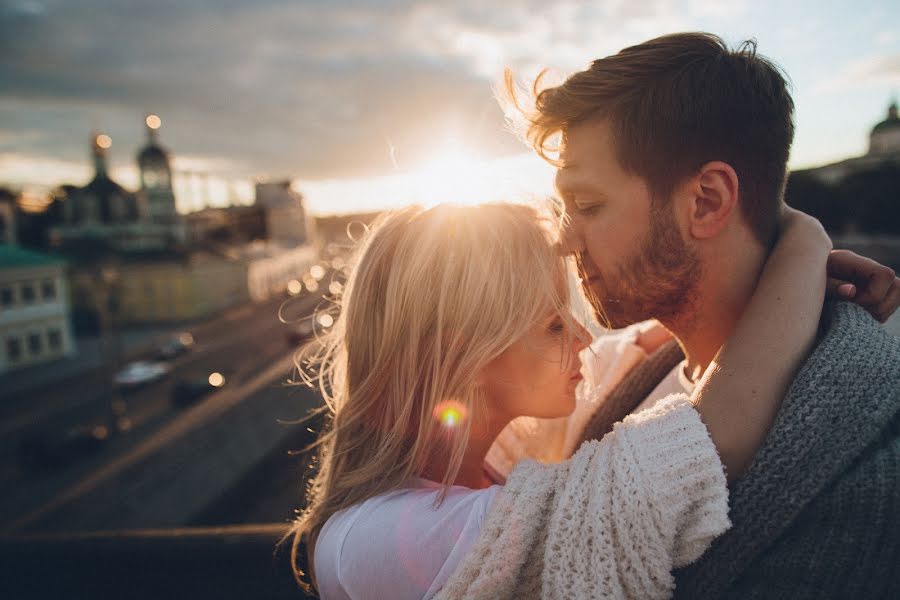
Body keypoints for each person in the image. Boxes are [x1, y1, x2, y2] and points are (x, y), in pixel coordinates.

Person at [283, 200, 894, 599]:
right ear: (462, 356)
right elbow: (706, 442)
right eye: (553, 325)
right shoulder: (378, 542)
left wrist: (772, 289)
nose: (582, 337)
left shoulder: (479, 454)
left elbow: (636, 345)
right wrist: (800, 237)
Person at [493, 32, 900, 598]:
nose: (565, 242)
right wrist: (801, 239)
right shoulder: (640, 367)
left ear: (707, 201)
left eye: (587, 206)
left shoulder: (869, 488)